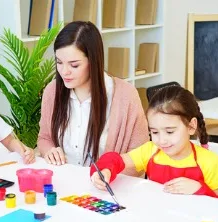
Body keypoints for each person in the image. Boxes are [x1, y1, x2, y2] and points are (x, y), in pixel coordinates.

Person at [37, 21, 149, 169]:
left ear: (93, 61)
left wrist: (110, 170)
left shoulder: (125, 96)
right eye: (59, 62)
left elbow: (142, 155)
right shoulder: (52, 91)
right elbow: (44, 138)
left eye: (74, 65)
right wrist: (49, 151)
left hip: (108, 187)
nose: (64, 71)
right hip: (64, 186)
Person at [90, 85, 218, 200]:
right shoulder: (151, 150)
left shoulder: (210, 161)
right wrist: (105, 171)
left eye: (170, 132)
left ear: (191, 126)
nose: (161, 140)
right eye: (154, 132)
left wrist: (199, 189)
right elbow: (117, 160)